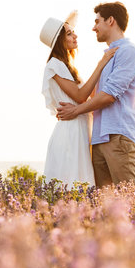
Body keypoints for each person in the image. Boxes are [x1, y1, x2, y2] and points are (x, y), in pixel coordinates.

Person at [57, 2, 135, 187]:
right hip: (99, 138)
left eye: (97, 21)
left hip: (118, 137)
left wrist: (76, 111)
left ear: (111, 21)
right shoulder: (109, 56)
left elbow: (108, 96)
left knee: (129, 202)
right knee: (104, 206)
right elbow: (95, 96)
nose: (93, 27)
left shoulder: (128, 52)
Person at [40, 11, 118, 186]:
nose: (75, 35)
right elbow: (81, 96)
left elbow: (91, 96)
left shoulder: (68, 67)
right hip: (70, 133)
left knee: (80, 186)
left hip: (80, 131)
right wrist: (101, 63)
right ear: (59, 41)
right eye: (69, 33)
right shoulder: (55, 65)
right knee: (71, 186)